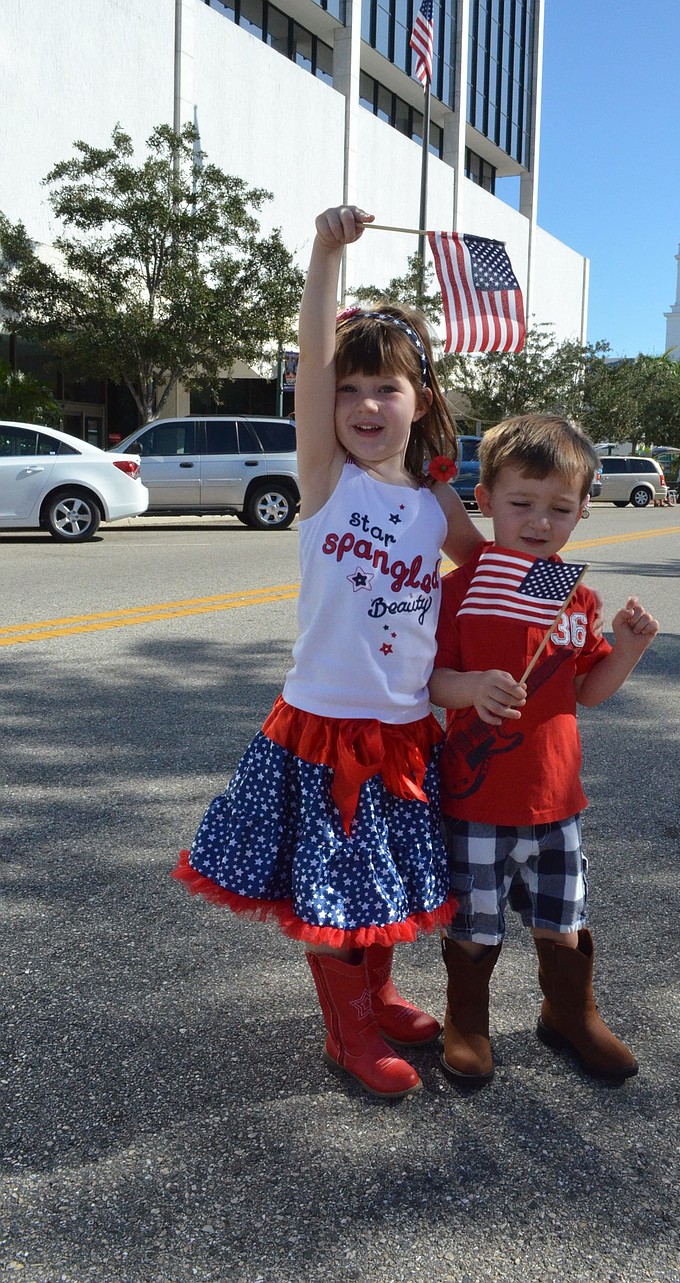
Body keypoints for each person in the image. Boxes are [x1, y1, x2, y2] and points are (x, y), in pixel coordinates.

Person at [172, 205, 486, 1100]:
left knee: (380, 881)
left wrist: (557, 579)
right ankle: (345, 1028)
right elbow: (312, 358)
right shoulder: (324, 482)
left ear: (419, 399)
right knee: (330, 887)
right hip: (323, 731)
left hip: (403, 731)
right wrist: (324, 255)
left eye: (383, 389)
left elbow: (490, 567)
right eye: (349, 392)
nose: (362, 406)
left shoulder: (435, 503)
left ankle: (378, 993)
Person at [429, 414, 659, 1088]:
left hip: (556, 799)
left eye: (559, 508)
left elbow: (589, 691)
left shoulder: (574, 595)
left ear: (584, 510)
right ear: (486, 499)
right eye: (521, 503)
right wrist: (470, 687)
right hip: (475, 797)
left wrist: (629, 646)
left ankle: (569, 1011)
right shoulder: (463, 588)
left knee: (562, 921)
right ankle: (466, 1018)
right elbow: (430, 679)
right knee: (474, 923)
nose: (539, 521)